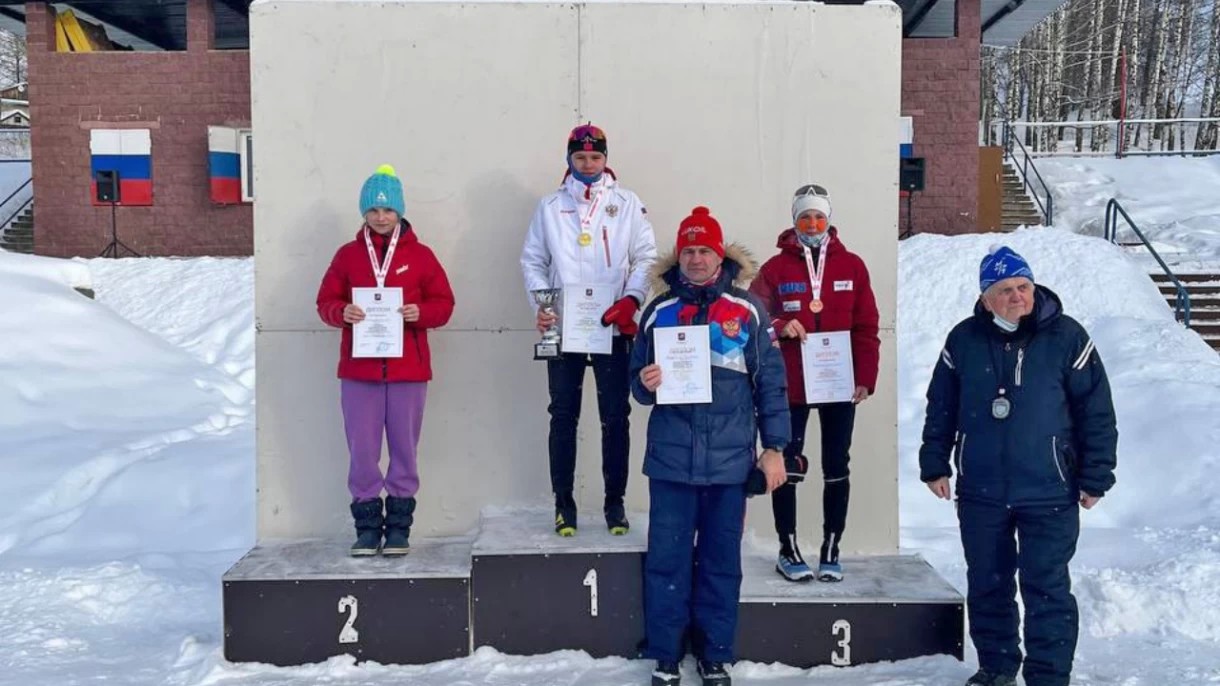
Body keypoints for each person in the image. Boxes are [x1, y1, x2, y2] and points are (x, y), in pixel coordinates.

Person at [919, 246, 1117, 686]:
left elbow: (1096, 411)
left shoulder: (1068, 337)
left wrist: (1096, 475)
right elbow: (941, 406)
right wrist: (935, 461)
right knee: (988, 583)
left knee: (1046, 587)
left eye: (1023, 287)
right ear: (986, 297)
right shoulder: (964, 339)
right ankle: (997, 666)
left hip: (1050, 488)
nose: (1017, 297)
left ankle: (1048, 675)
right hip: (982, 491)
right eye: (1005, 290)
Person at [630, 206, 790, 686]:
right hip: (671, 462)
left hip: (728, 465)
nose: (696, 259)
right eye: (689, 251)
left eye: (705, 250)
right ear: (679, 256)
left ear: (720, 255)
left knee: (722, 563)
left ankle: (715, 653)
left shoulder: (747, 311)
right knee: (667, 561)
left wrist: (775, 446)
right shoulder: (658, 311)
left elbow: (771, 385)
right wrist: (646, 381)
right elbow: (635, 385)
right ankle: (665, 653)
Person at [520, 123, 658, 536]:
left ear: (605, 159)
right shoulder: (549, 207)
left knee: (616, 417)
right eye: (579, 158)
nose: (587, 165)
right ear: (569, 160)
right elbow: (533, 261)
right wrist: (544, 306)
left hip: (612, 327)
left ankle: (614, 504)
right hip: (563, 328)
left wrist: (631, 300)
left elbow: (646, 258)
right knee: (562, 416)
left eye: (595, 157)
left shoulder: (627, 204)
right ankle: (564, 505)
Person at [316, 164, 455, 556]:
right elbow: (324, 302)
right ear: (364, 212)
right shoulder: (347, 256)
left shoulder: (422, 257)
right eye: (374, 211)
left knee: (404, 449)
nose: (381, 218)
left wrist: (420, 313)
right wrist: (341, 312)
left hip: (408, 372)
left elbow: (444, 304)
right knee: (362, 450)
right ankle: (365, 527)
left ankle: (398, 527)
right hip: (359, 372)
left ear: (400, 212)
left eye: (388, 210)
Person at [748, 183, 880, 583]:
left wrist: (866, 377)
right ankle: (787, 548)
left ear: (829, 220)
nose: (812, 223)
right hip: (793, 383)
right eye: (805, 217)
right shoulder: (775, 268)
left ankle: (830, 547)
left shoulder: (852, 265)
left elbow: (866, 326)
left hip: (839, 382)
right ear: (794, 221)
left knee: (837, 464)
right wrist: (779, 325)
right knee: (788, 465)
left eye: (819, 216)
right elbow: (755, 316)